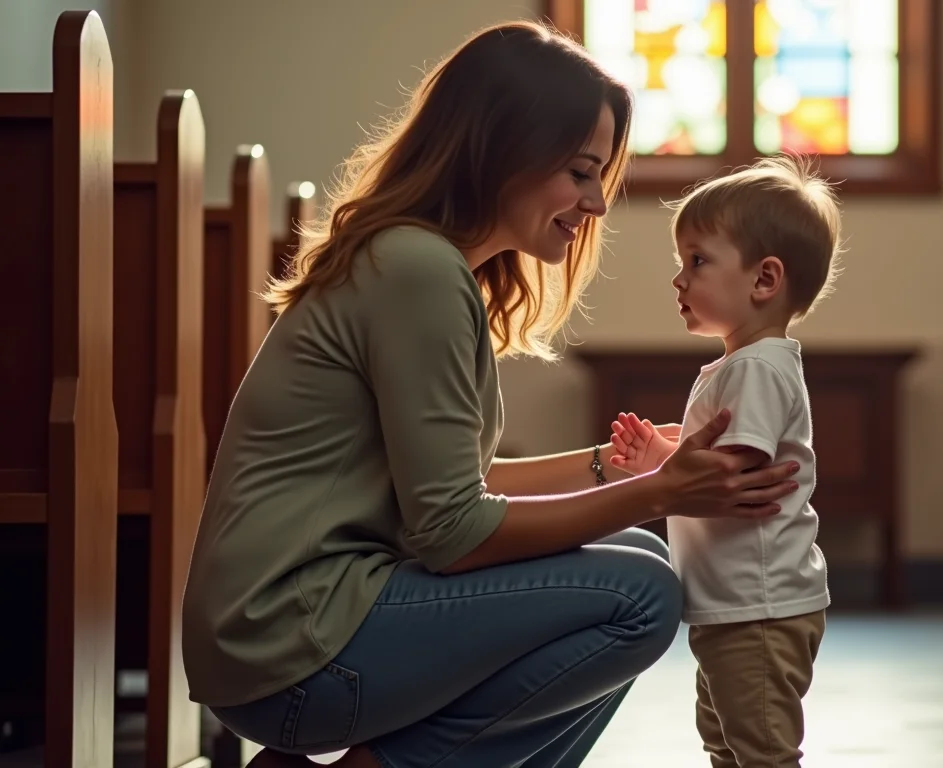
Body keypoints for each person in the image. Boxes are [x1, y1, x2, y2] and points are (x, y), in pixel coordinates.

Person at [180, 20, 803, 768]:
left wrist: (615, 466)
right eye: (579, 171)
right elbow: (452, 532)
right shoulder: (415, 270)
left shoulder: (421, 264)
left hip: (293, 627)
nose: (596, 203)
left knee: (630, 555)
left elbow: (447, 491)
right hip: (291, 640)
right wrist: (659, 494)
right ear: (503, 149)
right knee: (639, 591)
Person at [607, 155, 842, 768]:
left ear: (765, 279)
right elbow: (715, 469)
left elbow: (728, 476)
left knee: (761, 750)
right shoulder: (746, 364)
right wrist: (663, 458)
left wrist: (662, 463)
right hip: (735, 604)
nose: (679, 280)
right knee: (725, 741)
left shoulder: (757, 368)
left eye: (698, 261)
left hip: (759, 608)